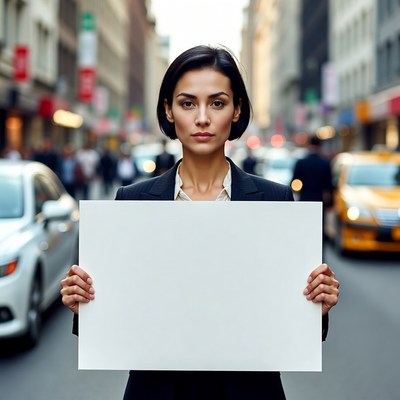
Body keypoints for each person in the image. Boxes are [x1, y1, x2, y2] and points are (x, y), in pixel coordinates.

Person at [60, 45, 340, 400]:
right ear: (169, 110)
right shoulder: (131, 202)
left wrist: (318, 303)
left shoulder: (275, 201)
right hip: (158, 391)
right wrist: (82, 300)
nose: (203, 118)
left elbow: (295, 325)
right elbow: (112, 321)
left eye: (218, 103)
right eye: (188, 103)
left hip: (249, 391)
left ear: (237, 109)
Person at [291, 135, 333, 239]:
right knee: (319, 231)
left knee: (304, 230)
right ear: (320, 147)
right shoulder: (325, 163)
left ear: (309, 146)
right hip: (319, 200)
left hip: (304, 199)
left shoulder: (301, 163)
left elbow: (294, 183)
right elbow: (329, 186)